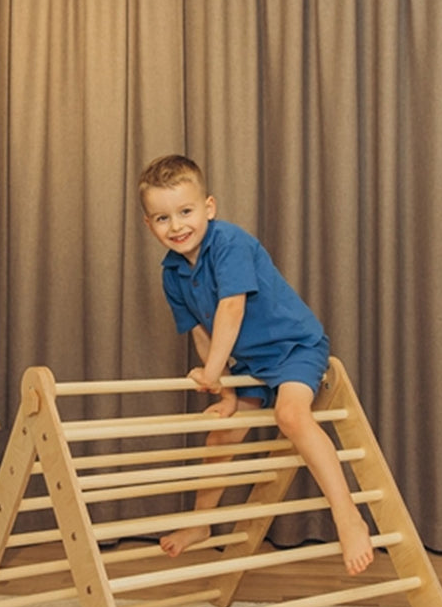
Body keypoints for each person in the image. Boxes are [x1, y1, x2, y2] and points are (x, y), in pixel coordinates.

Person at [138, 154, 374, 576]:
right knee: (221, 434)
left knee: (291, 416)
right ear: (148, 224)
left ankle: (347, 515)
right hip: (250, 363)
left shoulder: (230, 243)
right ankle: (201, 522)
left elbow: (231, 309)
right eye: (162, 218)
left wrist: (211, 374)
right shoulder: (172, 272)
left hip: (294, 347)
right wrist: (225, 391)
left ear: (209, 207)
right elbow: (201, 332)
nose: (176, 227)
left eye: (186, 212)